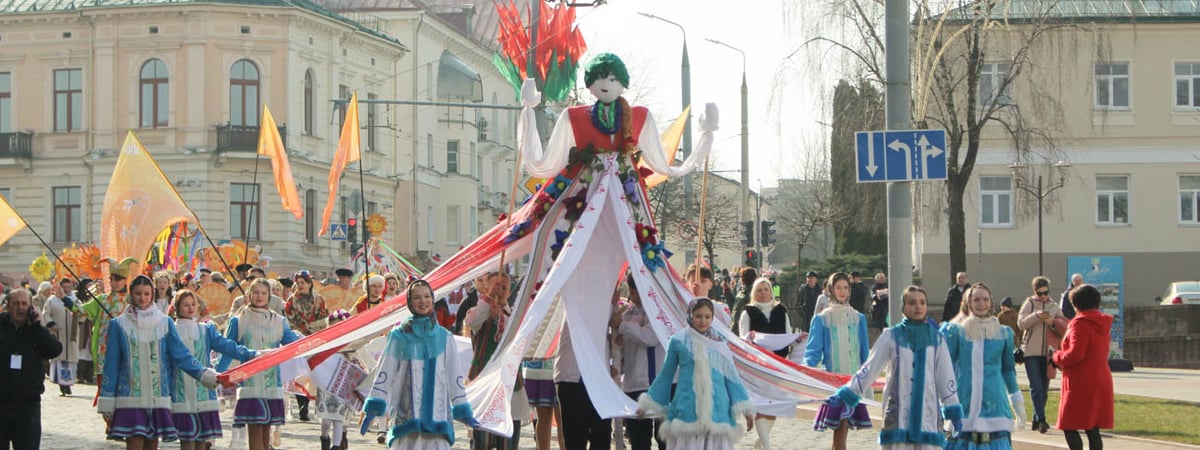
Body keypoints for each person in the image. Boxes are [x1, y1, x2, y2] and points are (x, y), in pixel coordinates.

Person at [816, 286, 963, 450]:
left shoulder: (937, 339)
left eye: (922, 302)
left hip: (927, 417)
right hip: (896, 415)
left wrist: (953, 411)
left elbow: (946, 378)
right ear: (903, 307)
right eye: (912, 303)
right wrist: (845, 394)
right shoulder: (891, 336)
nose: (918, 307)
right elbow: (869, 369)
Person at [98, 275, 220, 449]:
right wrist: (108, 397)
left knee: (152, 443)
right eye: (138, 293)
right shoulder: (119, 325)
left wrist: (202, 373)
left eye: (147, 293)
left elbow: (181, 355)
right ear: (131, 294)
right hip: (130, 396)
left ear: (152, 294)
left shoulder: (165, 322)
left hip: (158, 396)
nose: (142, 298)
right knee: (134, 441)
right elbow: (112, 364)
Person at [362, 279, 478, 449]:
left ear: (432, 299)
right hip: (406, 419)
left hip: (437, 418)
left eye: (426, 296)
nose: (422, 301)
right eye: (417, 297)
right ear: (409, 302)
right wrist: (374, 406)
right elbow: (385, 371)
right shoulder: (398, 336)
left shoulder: (445, 337)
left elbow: (455, 376)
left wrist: (462, 408)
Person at [636, 298, 755, 450]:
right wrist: (647, 403)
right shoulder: (678, 341)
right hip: (687, 409)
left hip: (717, 410)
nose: (703, 321)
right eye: (698, 316)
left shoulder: (720, 342)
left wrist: (745, 408)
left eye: (707, 316)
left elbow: (732, 377)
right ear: (690, 315)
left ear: (713, 318)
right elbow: (666, 374)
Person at [217, 279, 305, 450]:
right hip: (250, 382)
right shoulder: (239, 320)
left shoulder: (279, 321)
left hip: (272, 382)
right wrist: (218, 373)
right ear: (249, 294)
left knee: (266, 432)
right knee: (255, 428)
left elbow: (291, 344)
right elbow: (228, 348)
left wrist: (314, 343)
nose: (259, 296)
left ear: (269, 296)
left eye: (264, 293)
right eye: (256, 292)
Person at [170, 289, 258, 450]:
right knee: (187, 440)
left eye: (193, 304)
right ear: (177, 307)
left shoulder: (205, 330)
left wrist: (251, 354)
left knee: (203, 442)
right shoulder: (170, 330)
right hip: (181, 392)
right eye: (185, 305)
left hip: (204, 392)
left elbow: (227, 346)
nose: (190, 308)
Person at [940, 283, 1025, 450]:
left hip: (995, 404)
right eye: (976, 300)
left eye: (985, 299)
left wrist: (1017, 402)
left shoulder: (1004, 333)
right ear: (968, 303)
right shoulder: (957, 331)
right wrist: (945, 401)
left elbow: (1008, 370)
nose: (981, 304)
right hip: (964, 402)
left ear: (991, 302)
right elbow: (945, 368)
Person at [804, 272, 870, 449]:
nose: (842, 291)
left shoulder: (858, 318)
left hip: (854, 379)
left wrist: (868, 376)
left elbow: (864, 351)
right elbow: (813, 350)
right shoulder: (822, 318)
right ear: (831, 290)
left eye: (846, 288)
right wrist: (805, 369)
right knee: (841, 423)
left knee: (844, 424)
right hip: (835, 380)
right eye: (838, 287)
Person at [465, 272, 525, 450]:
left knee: (507, 440)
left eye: (504, 287)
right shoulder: (477, 310)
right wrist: (489, 299)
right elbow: (473, 322)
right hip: (484, 381)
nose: (500, 290)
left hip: (508, 382)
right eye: (495, 286)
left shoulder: (514, 314)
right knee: (482, 440)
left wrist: (501, 315)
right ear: (485, 287)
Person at [1051, 284, 1114, 450]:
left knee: (1068, 424)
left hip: (1081, 380)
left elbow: (1076, 354)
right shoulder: (1102, 323)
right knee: (1093, 427)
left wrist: (1056, 357)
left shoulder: (1079, 323)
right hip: (1101, 378)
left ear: (1076, 304)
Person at [0, 288, 63, 449]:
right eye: (15, 303)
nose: (20, 308)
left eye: (24, 304)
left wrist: (37, 326)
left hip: (28, 406)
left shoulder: (37, 330)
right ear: (8, 305)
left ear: (31, 307)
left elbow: (54, 350)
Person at [737, 277, 792, 450]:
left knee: (773, 405)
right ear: (754, 293)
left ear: (771, 291)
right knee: (761, 403)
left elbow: (787, 335)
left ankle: (762, 440)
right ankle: (767, 444)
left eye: (766, 289)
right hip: (758, 366)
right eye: (759, 290)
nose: (763, 293)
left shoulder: (781, 311)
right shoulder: (748, 312)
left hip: (777, 364)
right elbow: (743, 338)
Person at [617, 274, 665, 450]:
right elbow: (620, 343)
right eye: (632, 291)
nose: (635, 296)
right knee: (638, 440)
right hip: (632, 384)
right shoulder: (628, 311)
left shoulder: (657, 310)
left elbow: (651, 337)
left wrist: (623, 328)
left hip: (655, 383)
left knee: (664, 438)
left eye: (637, 291)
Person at [76, 257, 137, 386]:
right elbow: (81, 311)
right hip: (104, 346)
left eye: (118, 279)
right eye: (111, 279)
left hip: (125, 345)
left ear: (125, 280)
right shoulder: (102, 300)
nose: (114, 283)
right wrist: (66, 301)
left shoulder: (132, 301)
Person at [1018, 275, 1066, 434]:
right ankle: (1042, 420)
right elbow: (1021, 323)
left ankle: (1036, 418)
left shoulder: (1054, 306)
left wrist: (1051, 322)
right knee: (1036, 386)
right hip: (1031, 351)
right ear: (1035, 292)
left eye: (1046, 292)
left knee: (1044, 389)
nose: (1044, 296)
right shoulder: (1030, 303)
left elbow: (1063, 328)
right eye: (1040, 293)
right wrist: (1037, 316)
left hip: (1049, 353)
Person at [316, 310, 356, 450]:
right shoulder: (324, 344)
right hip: (326, 385)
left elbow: (357, 361)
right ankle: (325, 439)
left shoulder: (350, 345)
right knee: (326, 421)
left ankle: (336, 446)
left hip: (341, 385)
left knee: (338, 420)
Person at [42, 278, 79, 396]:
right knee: (60, 359)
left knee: (70, 361)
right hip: (58, 333)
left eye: (69, 287)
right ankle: (62, 385)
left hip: (71, 334)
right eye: (65, 288)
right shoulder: (52, 300)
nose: (67, 290)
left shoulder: (75, 300)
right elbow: (46, 314)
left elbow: (82, 313)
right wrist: (51, 324)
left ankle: (69, 384)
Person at [730, 268, 757, 335]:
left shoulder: (752, 292)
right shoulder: (742, 290)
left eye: (741, 276)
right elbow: (734, 304)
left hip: (744, 327)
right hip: (735, 325)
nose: (740, 279)